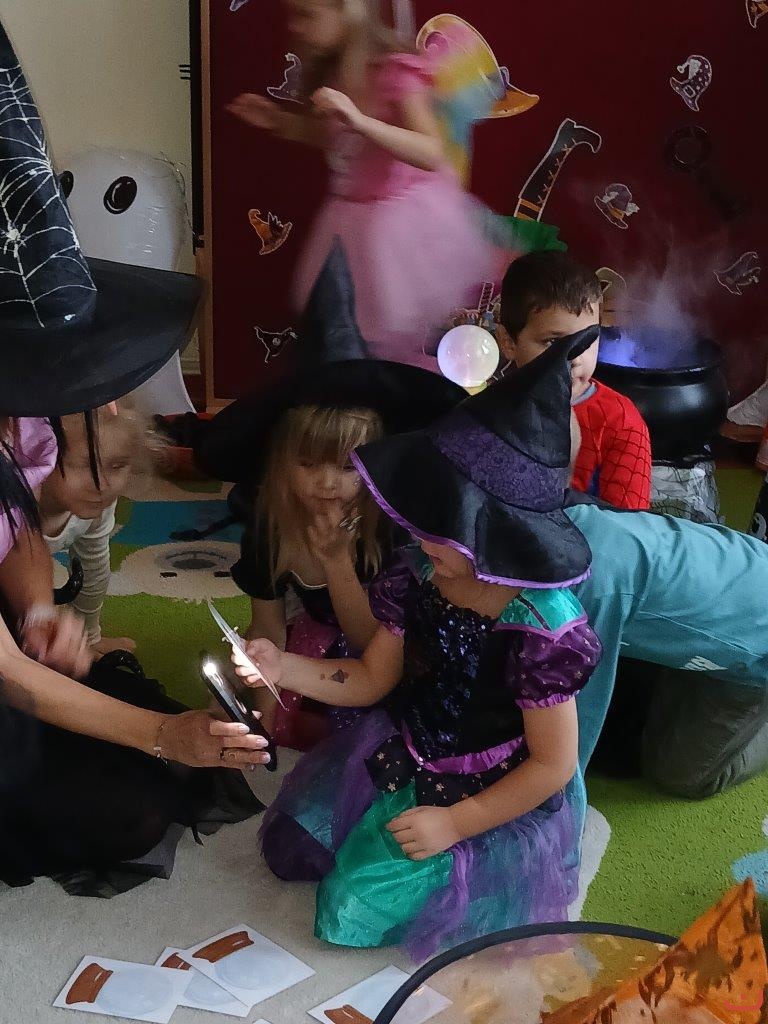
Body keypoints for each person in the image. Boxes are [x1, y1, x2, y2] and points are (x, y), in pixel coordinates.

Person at [0, 19, 269, 893]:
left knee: (138, 766)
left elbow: (17, 530)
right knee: (126, 792)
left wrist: (37, 608)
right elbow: (9, 678)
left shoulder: (17, 418)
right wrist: (161, 736)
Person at [234, 330, 602, 960]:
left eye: (439, 525)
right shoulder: (420, 574)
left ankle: (470, 875)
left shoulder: (541, 629)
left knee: (344, 912)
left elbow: (551, 766)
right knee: (290, 848)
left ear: (498, 533)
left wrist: (454, 824)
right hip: (407, 750)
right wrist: (282, 665)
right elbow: (373, 678)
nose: (417, 533)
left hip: (487, 791)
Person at [199, 355, 466, 750]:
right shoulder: (269, 531)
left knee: (359, 732)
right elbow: (268, 627)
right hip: (312, 634)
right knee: (235, 705)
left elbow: (368, 641)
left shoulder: (390, 529)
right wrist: (265, 716)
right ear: (281, 464)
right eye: (308, 464)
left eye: (347, 467)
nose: (326, 482)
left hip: (383, 648)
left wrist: (335, 559)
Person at [228, 0, 511, 369]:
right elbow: (337, 138)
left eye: (307, 14)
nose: (295, 27)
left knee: (389, 340)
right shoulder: (335, 72)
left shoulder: (393, 72)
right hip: (346, 223)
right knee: (350, 335)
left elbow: (430, 151)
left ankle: (400, 392)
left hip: (394, 226)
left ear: (349, 11)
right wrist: (279, 122)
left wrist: (359, 120)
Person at [565, 417, 768, 797]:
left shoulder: (595, 587)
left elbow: (570, 742)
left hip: (751, 655)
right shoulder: (568, 519)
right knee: (632, 740)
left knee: (678, 774)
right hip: (699, 623)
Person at [497, 251, 652, 511]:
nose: (575, 358)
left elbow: (627, 525)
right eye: (552, 342)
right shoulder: (493, 409)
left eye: (587, 340)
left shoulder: (621, 423)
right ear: (508, 342)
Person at [39, 405, 157, 657]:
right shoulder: (16, 504)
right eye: (85, 465)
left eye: (117, 466)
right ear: (41, 456)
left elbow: (92, 567)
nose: (102, 484)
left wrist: (89, 636)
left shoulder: (95, 500)